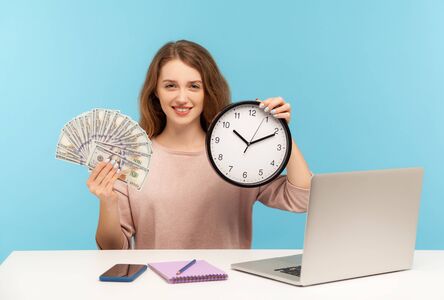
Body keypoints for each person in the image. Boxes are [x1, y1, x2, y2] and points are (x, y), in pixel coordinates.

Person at [86, 40, 312, 250]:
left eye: (194, 86)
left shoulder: (237, 151)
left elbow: (302, 198)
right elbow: (113, 249)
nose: (182, 98)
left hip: (227, 287)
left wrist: (280, 131)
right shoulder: (133, 158)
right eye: (170, 86)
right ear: (156, 91)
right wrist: (108, 202)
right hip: (159, 288)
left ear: (207, 91)